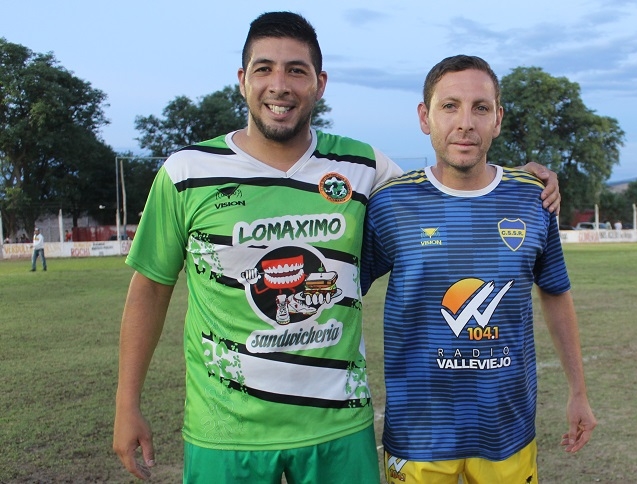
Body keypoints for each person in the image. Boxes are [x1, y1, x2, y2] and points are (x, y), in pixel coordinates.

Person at [112, 12, 561, 483]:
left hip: (339, 428)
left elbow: (447, 186)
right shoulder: (187, 172)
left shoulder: (362, 167)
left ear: (319, 84)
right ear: (243, 80)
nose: (279, 85)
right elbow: (150, 289)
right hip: (225, 431)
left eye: (296, 71)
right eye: (264, 69)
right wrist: (126, 404)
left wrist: (524, 181)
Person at [360, 55, 595, 484]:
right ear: (425, 117)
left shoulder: (533, 198)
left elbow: (555, 292)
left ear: (498, 119)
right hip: (419, 434)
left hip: (506, 430)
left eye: (480, 108)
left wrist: (578, 392)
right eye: (450, 106)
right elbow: (343, 293)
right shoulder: (391, 204)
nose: (465, 123)